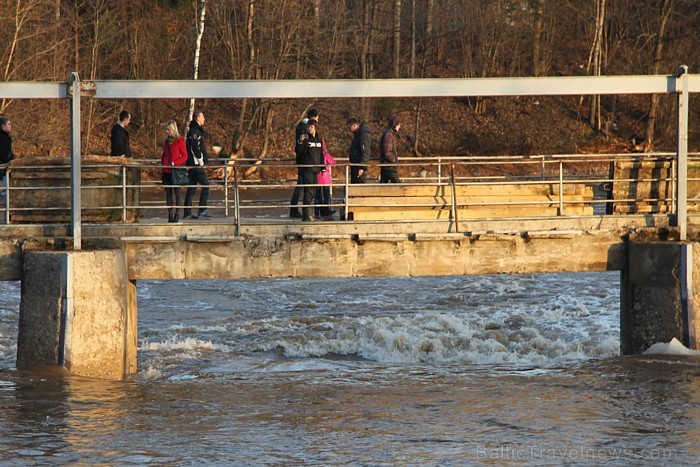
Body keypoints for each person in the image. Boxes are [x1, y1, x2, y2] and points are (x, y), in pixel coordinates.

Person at [290, 108, 319, 218]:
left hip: (303, 160)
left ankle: (296, 209)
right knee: (303, 186)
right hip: (305, 161)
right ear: (313, 117)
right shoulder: (306, 127)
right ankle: (299, 210)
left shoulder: (301, 125)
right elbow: (303, 144)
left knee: (302, 186)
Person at [183, 112, 211, 220]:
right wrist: (200, 160)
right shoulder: (195, 132)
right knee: (205, 186)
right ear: (198, 118)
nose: (204, 119)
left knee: (192, 188)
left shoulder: (194, 131)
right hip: (196, 165)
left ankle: (187, 213)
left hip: (192, 164)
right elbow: (194, 147)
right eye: (203, 117)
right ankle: (202, 210)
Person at [161, 120, 188, 223]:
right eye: (166, 129)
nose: (167, 131)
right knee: (168, 193)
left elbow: (185, 156)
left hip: (175, 170)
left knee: (177, 193)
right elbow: (164, 153)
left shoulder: (180, 141)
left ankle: (177, 214)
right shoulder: (166, 141)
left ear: (173, 129)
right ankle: (170, 214)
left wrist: (175, 162)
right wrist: (162, 163)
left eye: (168, 129)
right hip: (166, 170)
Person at [296, 119, 323, 222]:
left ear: (315, 127)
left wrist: (323, 167)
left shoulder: (319, 139)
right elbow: (298, 151)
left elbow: (321, 154)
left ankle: (309, 214)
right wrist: (300, 142)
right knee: (308, 191)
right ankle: (306, 215)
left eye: (311, 127)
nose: (309, 129)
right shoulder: (305, 138)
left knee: (313, 191)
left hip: (316, 168)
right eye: (308, 127)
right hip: (307, 168)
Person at [314, 140, 336, 220]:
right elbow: (333, 164)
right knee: (326, 197)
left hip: (316, 178)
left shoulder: (314, 155)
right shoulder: (325, 154)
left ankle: (317, 214)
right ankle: (327, 214)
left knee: (317, 197)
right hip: (325, 179)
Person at [347, 117, 371, 183]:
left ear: (354, 125)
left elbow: (365, 152)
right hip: (355, 165)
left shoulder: (363, 136)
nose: (349, 130)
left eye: (349, 127)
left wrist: (362, 167)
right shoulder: (357, 135)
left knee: (359, 186)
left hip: (359, 167)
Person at [379, 115, 401, 183]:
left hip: (386, 165)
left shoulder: (389, 134)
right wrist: (394, 160)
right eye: (398, 124)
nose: (399, 126)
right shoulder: (389, 135)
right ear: (394, 125)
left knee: (382, 187)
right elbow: (387, 152)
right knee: (399, 187)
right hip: (389, 166)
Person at [0, 115, 15, 181]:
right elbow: (2, 154)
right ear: (3, 126)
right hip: (2, 168)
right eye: (8, 124)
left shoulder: (5, 137)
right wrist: (10, 161)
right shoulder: (2, 137)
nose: (10, 126)